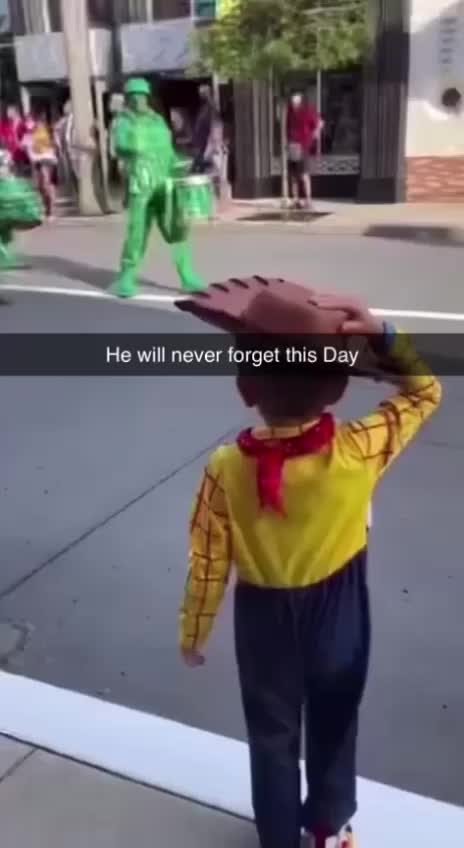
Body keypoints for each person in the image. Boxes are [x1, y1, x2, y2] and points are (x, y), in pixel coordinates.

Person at [176, 278, 442, 848]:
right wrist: (384, 336)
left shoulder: (225, 467)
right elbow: (425, 393)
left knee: (271, 737)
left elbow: (208, 558)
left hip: (262, 620)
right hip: (339, 609)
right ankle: (327, 827)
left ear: (245, 387)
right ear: (339, 389)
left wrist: (194, 631)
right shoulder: (359, 449)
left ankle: (277, 837)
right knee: (335, 721)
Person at [111, 77, 205, 298]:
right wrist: (139, 149)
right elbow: (121, 147)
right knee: (137, 232)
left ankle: (187, 275)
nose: (139, 100)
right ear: (128, 99)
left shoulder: (158, 121)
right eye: (134, 96)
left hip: (165, 181)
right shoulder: (122, 122)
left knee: (178, 228)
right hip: (140, 184)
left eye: (142, 95)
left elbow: (168, 149)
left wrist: (179, 164)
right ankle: (127, 276)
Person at [287, 91, 323, 210]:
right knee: (293, 175)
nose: (294, 105)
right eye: (292, 102)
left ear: (301, 102)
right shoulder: (290, 112)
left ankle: (308, 200)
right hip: (292, 145)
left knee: (304, 174)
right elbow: (288, 127)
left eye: (296, 103)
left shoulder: (308, 110)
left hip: (302, 146)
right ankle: (296, 200)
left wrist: (314, 135)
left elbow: (320, 123)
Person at [20, 112, 57, 220]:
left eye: (30, 121)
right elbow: (22, 147)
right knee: (40, 187)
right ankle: (47, 210)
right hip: (36, 162)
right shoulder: (28, 135)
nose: (28, 124)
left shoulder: (44, 131)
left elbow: (52, 143)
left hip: (46, 160)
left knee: (45, 184)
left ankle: (50, 212)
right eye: (26, 122)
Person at [191, 85, 216, 174]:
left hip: (203, 130)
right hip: (201, 130)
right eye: (200, 93)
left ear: (206, 93)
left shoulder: (209, 105)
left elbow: (210, 118)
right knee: (200, 149)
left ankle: (196, 167)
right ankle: (198, 167)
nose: (200, 95)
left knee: (199, 149)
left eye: (202, 93)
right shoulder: (206, 105)